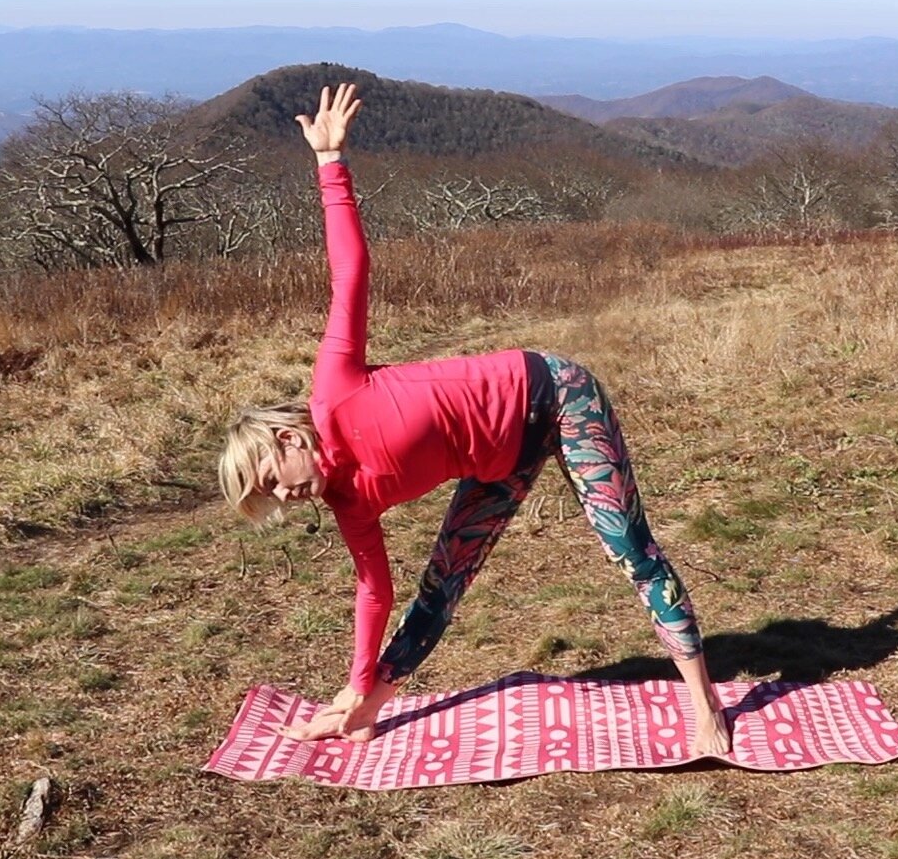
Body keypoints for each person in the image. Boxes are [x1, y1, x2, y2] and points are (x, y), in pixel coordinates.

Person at [218, 83, 732, 757]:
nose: (288, 497)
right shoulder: (347, 502)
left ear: (286, 441)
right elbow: (375, 590)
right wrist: (357, 687)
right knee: (442, 583)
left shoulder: (333, 391)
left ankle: (706, 704)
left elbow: (350, 276)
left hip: (557, 395)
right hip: (501, 459)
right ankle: (368, 713)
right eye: (273, 500)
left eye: (274, 480)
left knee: (626, 545)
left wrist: (330, 165)